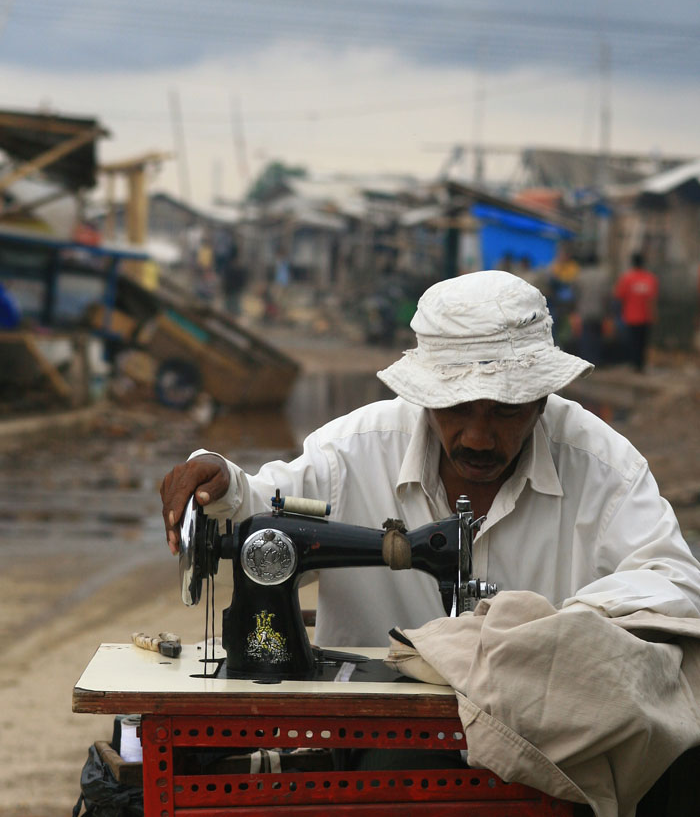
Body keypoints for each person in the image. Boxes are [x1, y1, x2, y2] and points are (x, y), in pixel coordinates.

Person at [161, 271, 700, 649]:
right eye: (457, 409)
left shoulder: (603, 469)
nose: (479, 439)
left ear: (542, 400)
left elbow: (675, 586)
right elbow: (256, 514)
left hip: (543, 743)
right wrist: (219, 485)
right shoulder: (352, 454)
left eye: (506, 411)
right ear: (425, 399)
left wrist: (553, 629)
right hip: (375, 744)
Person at [614, 252, 659, 372]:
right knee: (643, 342)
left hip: (631, 316)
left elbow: (619, 296)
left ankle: (634, 364)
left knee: (632, 341)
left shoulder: (627, 278)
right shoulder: (650, 278)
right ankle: (641, 365)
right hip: (646, 316)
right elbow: (653, 299)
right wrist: (654, 314)